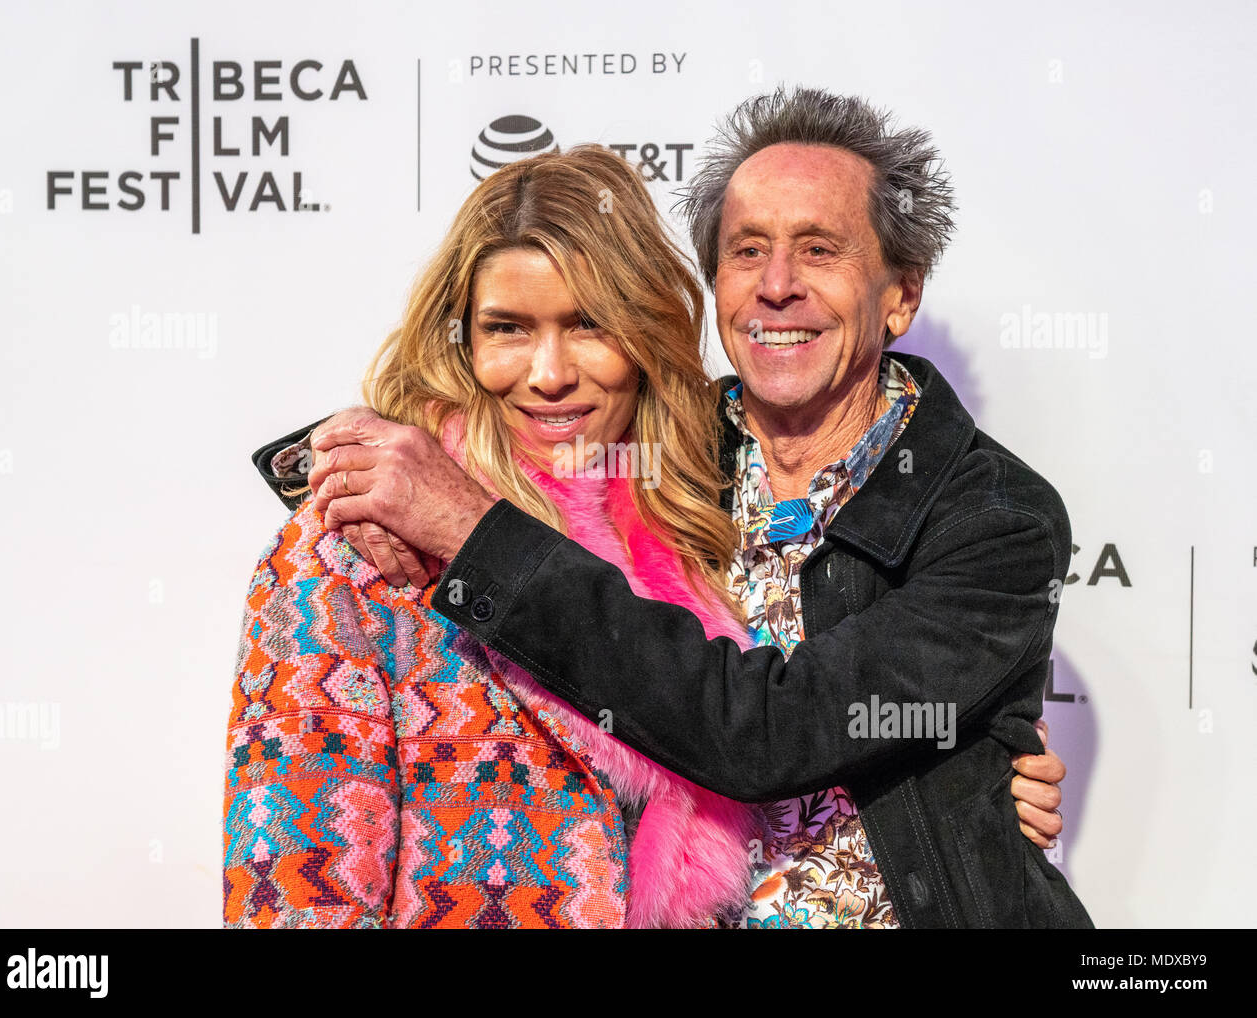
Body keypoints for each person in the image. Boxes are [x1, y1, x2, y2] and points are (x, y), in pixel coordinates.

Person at [271, 86, 1090, 928]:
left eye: (819, 250)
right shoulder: (663, 457)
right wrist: (351, 470)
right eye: (747, 251)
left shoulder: (995, 517)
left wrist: (971, 779)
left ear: (900, 296)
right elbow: (503, 429)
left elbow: (770, 730)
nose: (777, 286)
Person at [225, 145, 778, 929]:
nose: (549, 374)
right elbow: (294, 901)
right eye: (508, 329)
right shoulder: (351, 546)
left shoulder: (693, 526)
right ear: (463, 343)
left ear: (646, 332)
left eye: (589, 324)